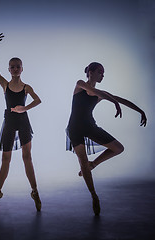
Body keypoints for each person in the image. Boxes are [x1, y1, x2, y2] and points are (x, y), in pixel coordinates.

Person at [66, 62, 147, 215]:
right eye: (99, 72)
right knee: (82, 160)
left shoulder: (100, 93)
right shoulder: (80, 84)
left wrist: (140, 110)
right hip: (75, 128)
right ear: (90, 72)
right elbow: (102, 95)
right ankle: (94, 196)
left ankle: (93, 164)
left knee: (118, 148)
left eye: (103, 73)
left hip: (90, 126)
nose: (102, 75)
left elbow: (121, 99)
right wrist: (113, 102)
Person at [0, 33, 42, 211]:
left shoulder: (27, 87)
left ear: (22, 69)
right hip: (9, 122)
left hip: (24, 121)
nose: (15, 68)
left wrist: (24, 108)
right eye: (12, 67)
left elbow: (38, 100)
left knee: (27, 158)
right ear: (9, 69)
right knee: (6, 158)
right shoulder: (5, 84)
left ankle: (35, 191)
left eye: (18, 66)